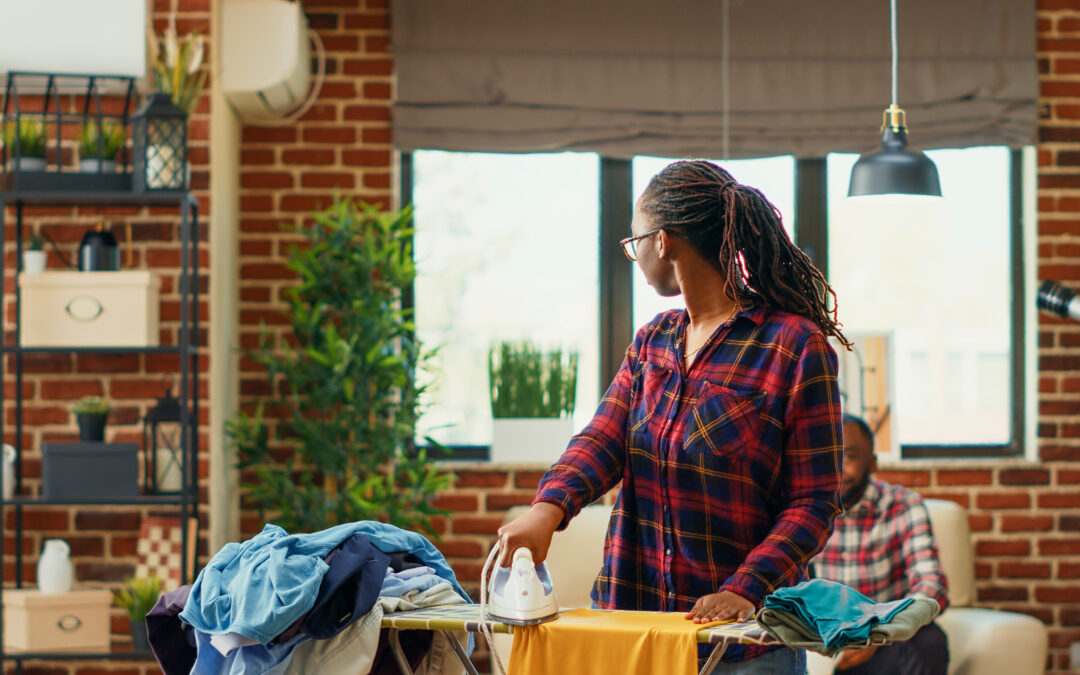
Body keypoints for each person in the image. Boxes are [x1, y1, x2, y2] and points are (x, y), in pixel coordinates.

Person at [498, 159, 850, 673]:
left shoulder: (792, 346)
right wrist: (546, 510)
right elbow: (603, 439)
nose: (634, 256)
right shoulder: (652, 342)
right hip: (633, 629)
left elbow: (814, 502)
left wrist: (744, 589)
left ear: (661, 242)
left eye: (633, 243)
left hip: (739, 644)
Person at [810, 413, 950, 674]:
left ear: (872, 463)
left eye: (848, 456)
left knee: (928, 640)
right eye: (827, 457)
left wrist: (877, 632)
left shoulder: (903, 505)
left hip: (884, 641)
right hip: (822, 643)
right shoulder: (805, 509)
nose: (836, 469)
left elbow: (933, 586)